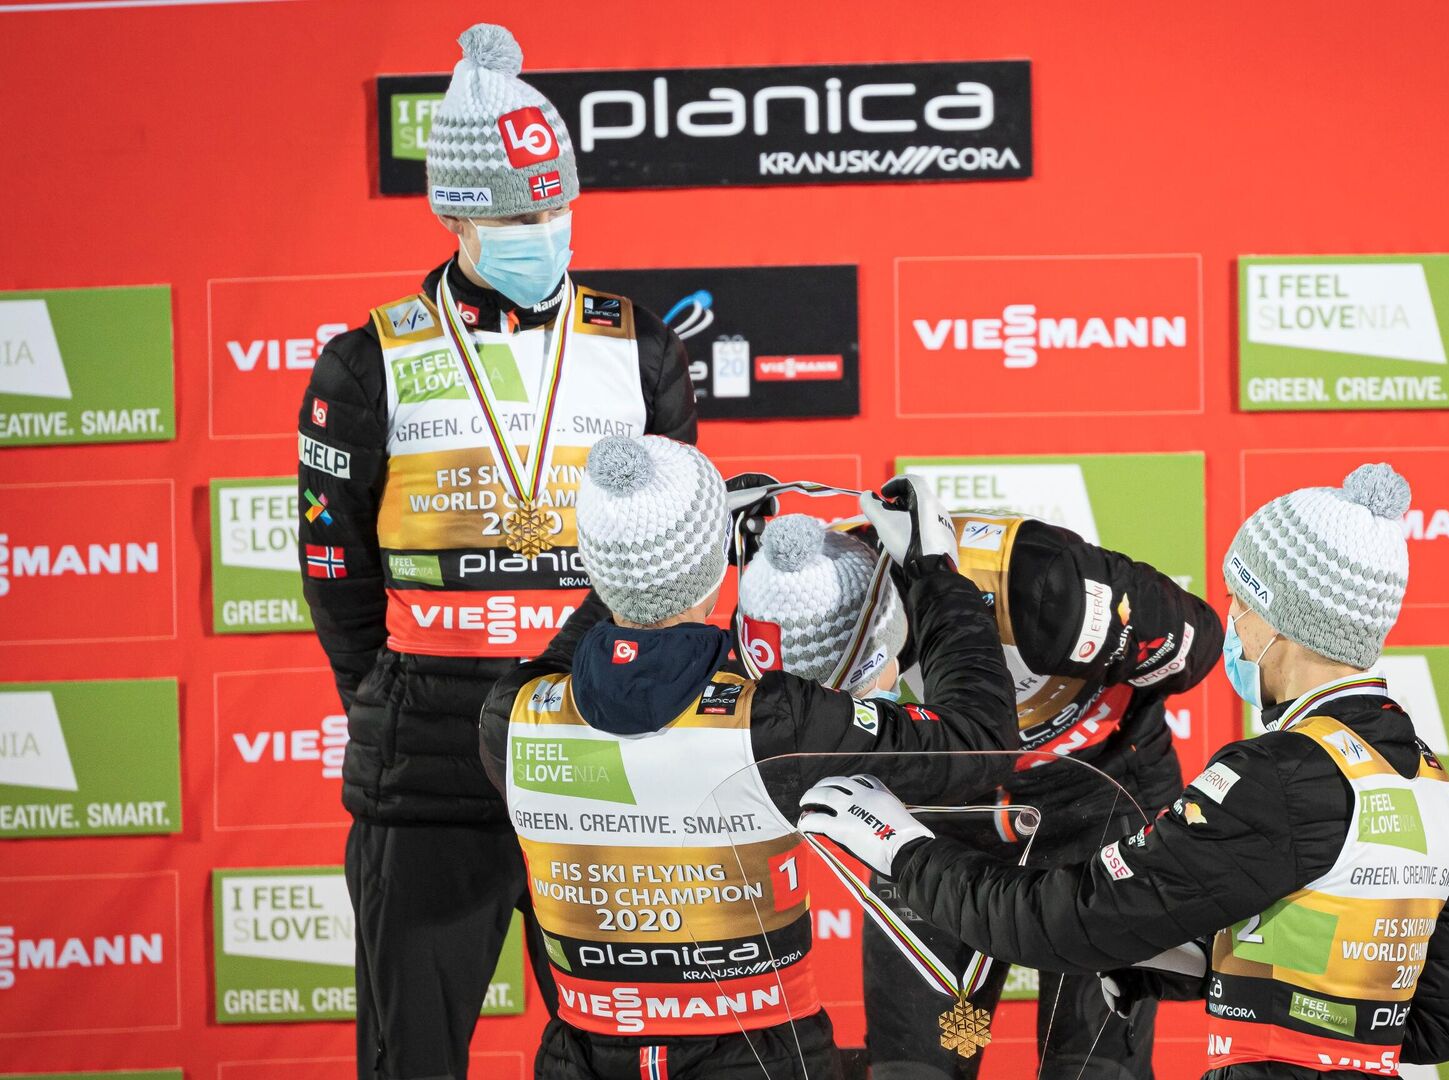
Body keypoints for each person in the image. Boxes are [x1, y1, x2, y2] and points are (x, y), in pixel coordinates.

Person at [294, 24, 695, 1080]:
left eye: (556, 205)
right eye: (518, 213)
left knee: (625, 1048)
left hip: (598, 735)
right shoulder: (363, 360)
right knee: (412, 1053)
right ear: (458, 212)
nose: (543, 229)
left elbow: (671, 552)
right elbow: (333, 562)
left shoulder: (640, 346)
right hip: (427, 748)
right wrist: (384, 690)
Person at [798, 465, 1449, 1080]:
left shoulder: (1273, 778)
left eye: (1242, 602)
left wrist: (901, 848)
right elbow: (1432, 1026)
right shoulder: (1431, 782)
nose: (1234, 625)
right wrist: (1192, 967)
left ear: (1282, 622)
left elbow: (1063, 924)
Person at [476, 435, 1018, 1080]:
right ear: (713, 564)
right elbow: (979, 742)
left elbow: (593, 647)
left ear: (597, 563)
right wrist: (936, 576)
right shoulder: (773, 721)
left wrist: (661, 557)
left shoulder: (511, 714)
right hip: (760, 1058)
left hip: (579, 1059)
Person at [736, 508, 1222, 1079]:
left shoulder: (1042, 588)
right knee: (910, 1070)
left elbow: (1200, 645)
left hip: (1099, 800)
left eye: (865, 683)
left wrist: (1106, 666)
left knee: (1094, 1069)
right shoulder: (779, 610)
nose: (864, 709)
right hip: (933, 819)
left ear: (891, 626)